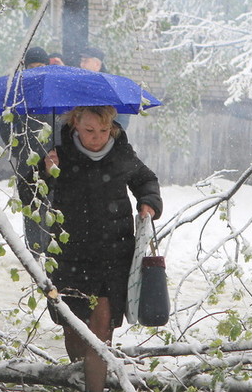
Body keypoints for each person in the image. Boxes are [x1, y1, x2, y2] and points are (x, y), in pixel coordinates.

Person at [27, 105, 162, 392]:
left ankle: (94, 388)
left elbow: (146, 180)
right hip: (69, 253)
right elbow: (29, 194)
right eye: (89, 130)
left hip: (112, 254)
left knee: (102, 327)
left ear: (111, 126)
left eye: (103, 130)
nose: (97, 137)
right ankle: (82, 381)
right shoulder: (59, 153)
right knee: (74, 328)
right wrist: (44, 171)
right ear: (75, 123)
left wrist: (147, 201)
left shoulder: (120, 153)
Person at [0, 46, 55, 257]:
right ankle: (34, 252)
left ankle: (52, 251)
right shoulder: (17, 94)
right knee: (31, 208)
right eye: (33, 67)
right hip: (27, 161)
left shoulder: (53, 92)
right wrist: (20, 150)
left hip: (53, 161)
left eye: (41, 67)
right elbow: (5, 126)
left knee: (52, 206)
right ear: (26, 67)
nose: (37, 71)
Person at [79, 46, 130, 130]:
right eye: (81, 61)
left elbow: (122, 115)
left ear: (97, 64)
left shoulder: (111, 85)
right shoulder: (80, 83)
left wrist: (114, 135)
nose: (81, 65)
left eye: (86, 61)